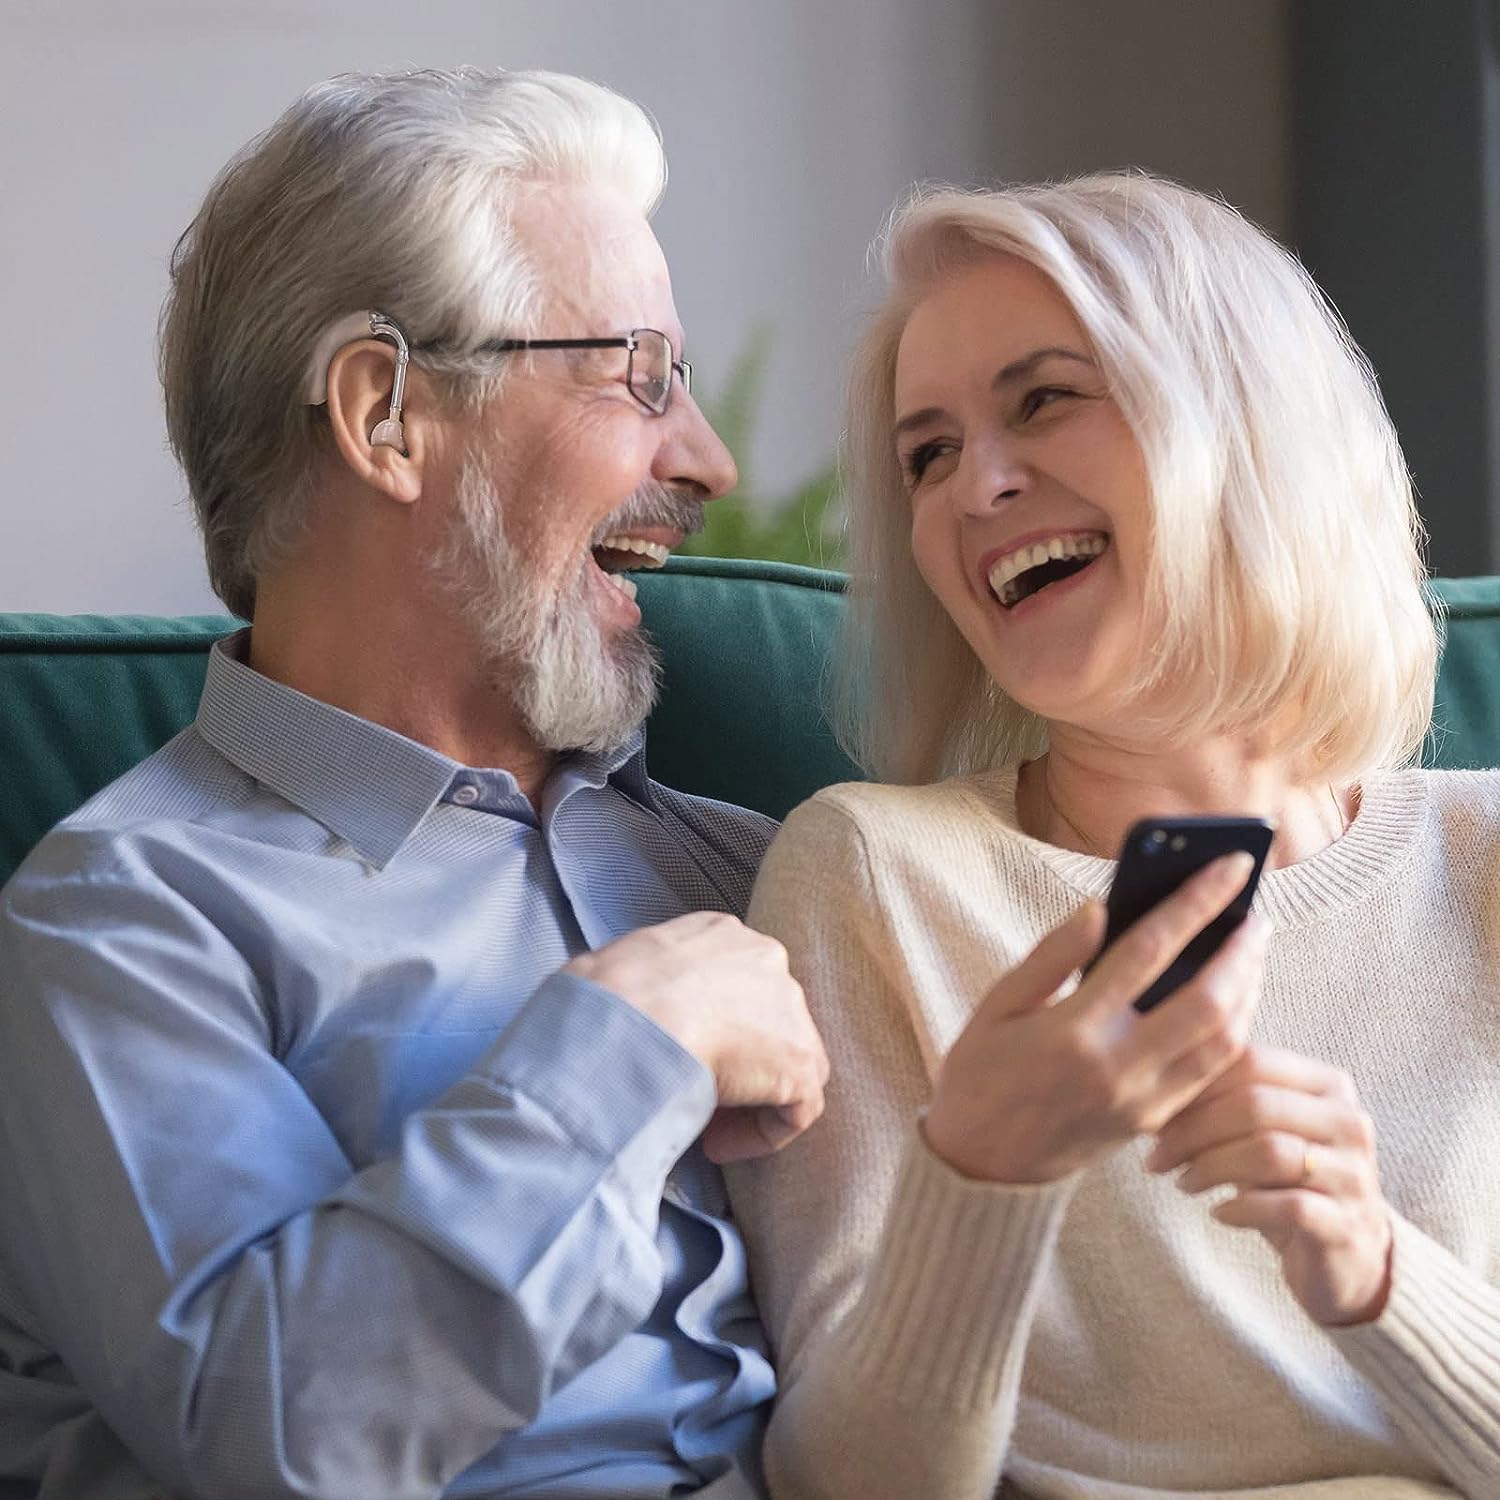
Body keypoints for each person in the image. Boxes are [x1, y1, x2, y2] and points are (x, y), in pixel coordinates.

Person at [0, 68, 829, 1500]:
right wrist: (630, 1049)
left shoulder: (754, 870)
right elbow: (288, 1434)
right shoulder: (125, 921)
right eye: (641, 373)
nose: (706, 457)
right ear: (386, 415)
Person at [725, 174, 1500, 1498]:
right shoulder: (873, 875)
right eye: (928, 454)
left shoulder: (1480, 859)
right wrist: (985, 1174)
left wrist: (1379, 1274)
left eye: (1043, 399)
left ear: (1247, 426)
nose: (979, 485)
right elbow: (845, 1483)